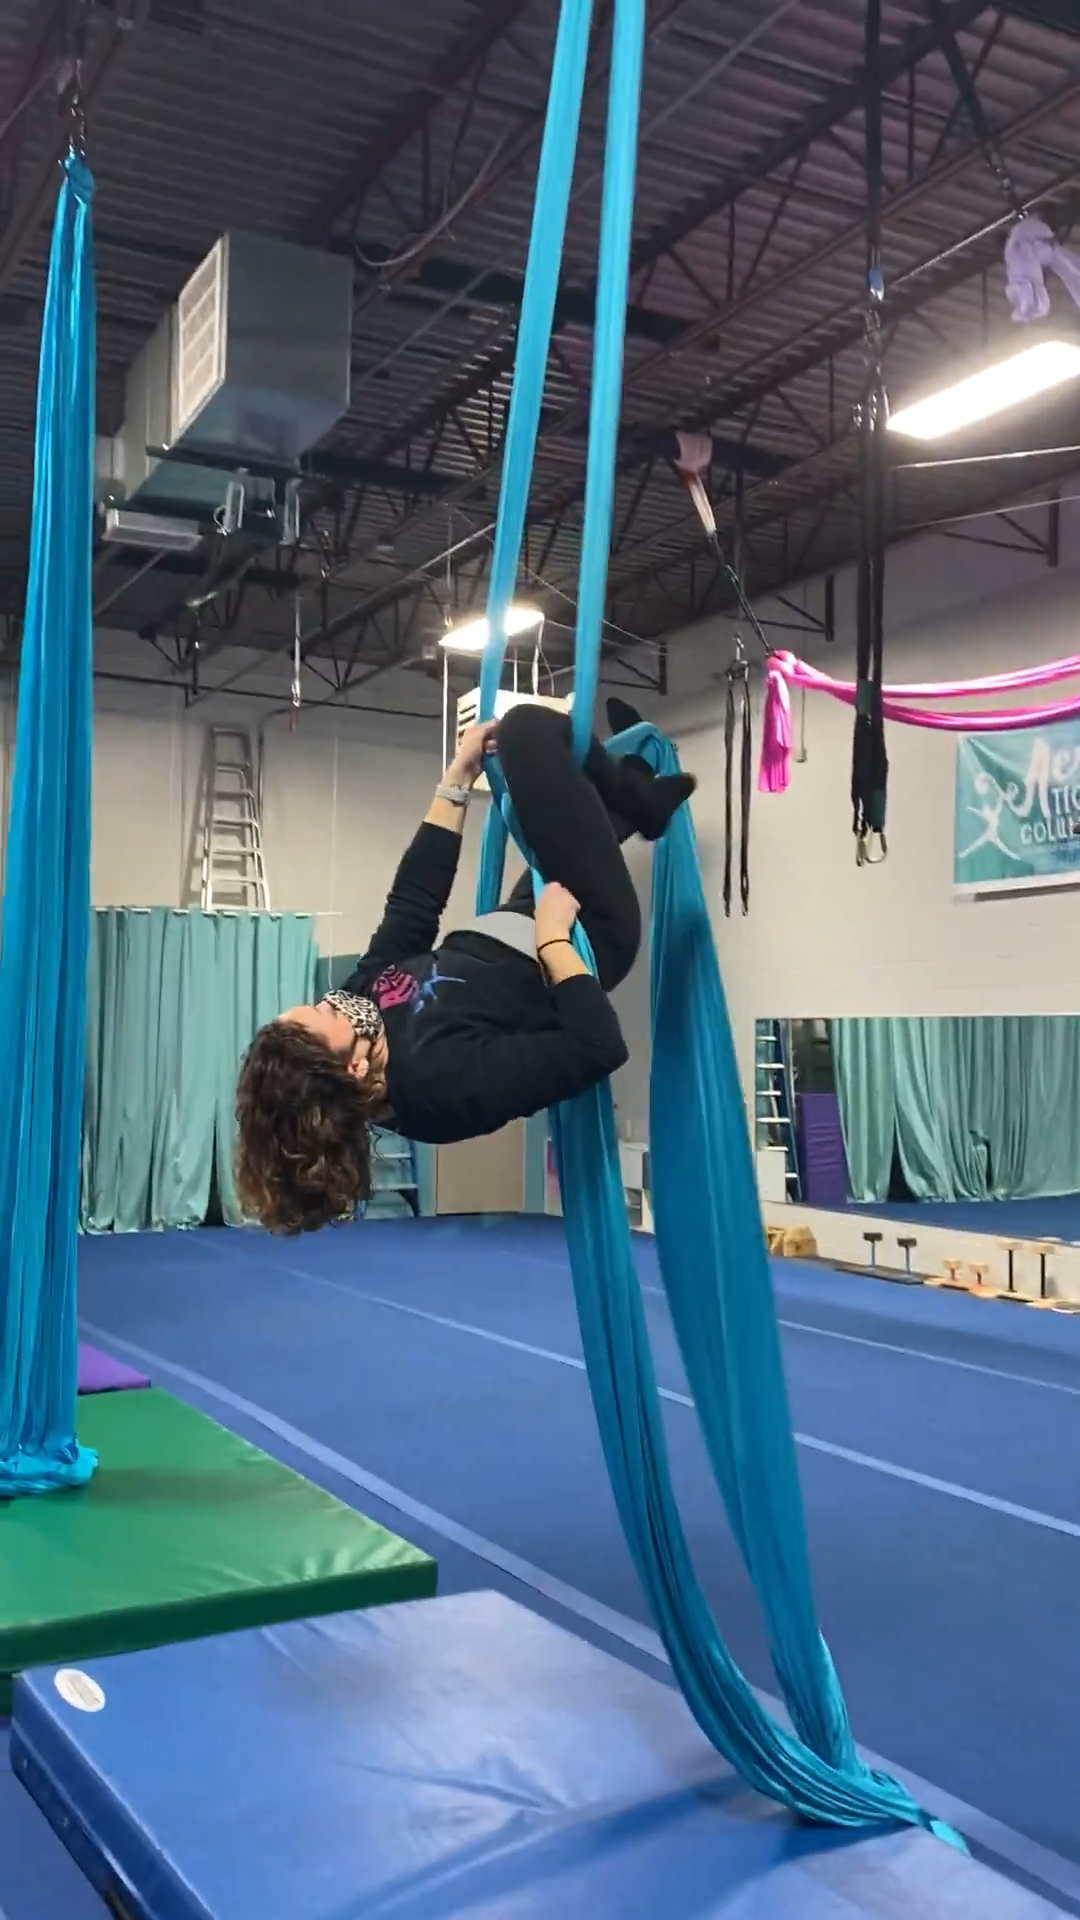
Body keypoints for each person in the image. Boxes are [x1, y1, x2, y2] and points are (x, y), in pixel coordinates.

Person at [234, 702, 694, 1234]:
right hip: (585, 931)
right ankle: (633, 792)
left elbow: (411, 910)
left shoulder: (360, 1011)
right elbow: (595, 1048)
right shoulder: (436, 1090)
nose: (332, 1001)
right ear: (351, 1069)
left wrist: (455, 781)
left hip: (525, 912)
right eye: (323, 1015)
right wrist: (553, 940)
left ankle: (633, 789)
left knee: (571, 807)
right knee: (527, 731)